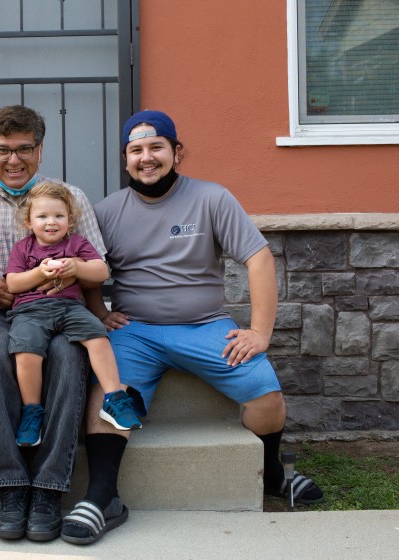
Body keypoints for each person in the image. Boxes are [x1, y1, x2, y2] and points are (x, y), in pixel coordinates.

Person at [61, 110, 324, 545]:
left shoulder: (212, 199)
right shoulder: (106, 210)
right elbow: (89, 268)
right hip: (135, 331)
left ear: (177, 153)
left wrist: (260, 332)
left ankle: (272, 471)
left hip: (205, 326)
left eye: (156, 147)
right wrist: (98, 311)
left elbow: (258, 258)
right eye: (136, 150)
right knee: (109, 399)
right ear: (125, 159)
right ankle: (103, 496)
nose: (147, 158)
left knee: (267, 397)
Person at [0, 105, 106, 542]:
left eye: (23, 149)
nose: (13, 160)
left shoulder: (68, 199)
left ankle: (50, 488)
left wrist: (98, 314)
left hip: (61, 312)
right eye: (2, 151)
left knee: (66, 355)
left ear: (39, 149)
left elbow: (98, 264)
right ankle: (12, 486)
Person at [5, 181, 142, 447]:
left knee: (98, 337)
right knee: (26, 352)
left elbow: (101, 272)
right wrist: (39, 273)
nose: (51, 222)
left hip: (70, 308)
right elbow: (12, 284)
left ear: (70, 219)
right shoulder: (23, 248)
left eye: (59, 215)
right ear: (28, 221)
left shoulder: (77, 244)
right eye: (42, 216)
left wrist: (76, 268)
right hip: (30, 311)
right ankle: (32, 410)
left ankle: (114, 398)